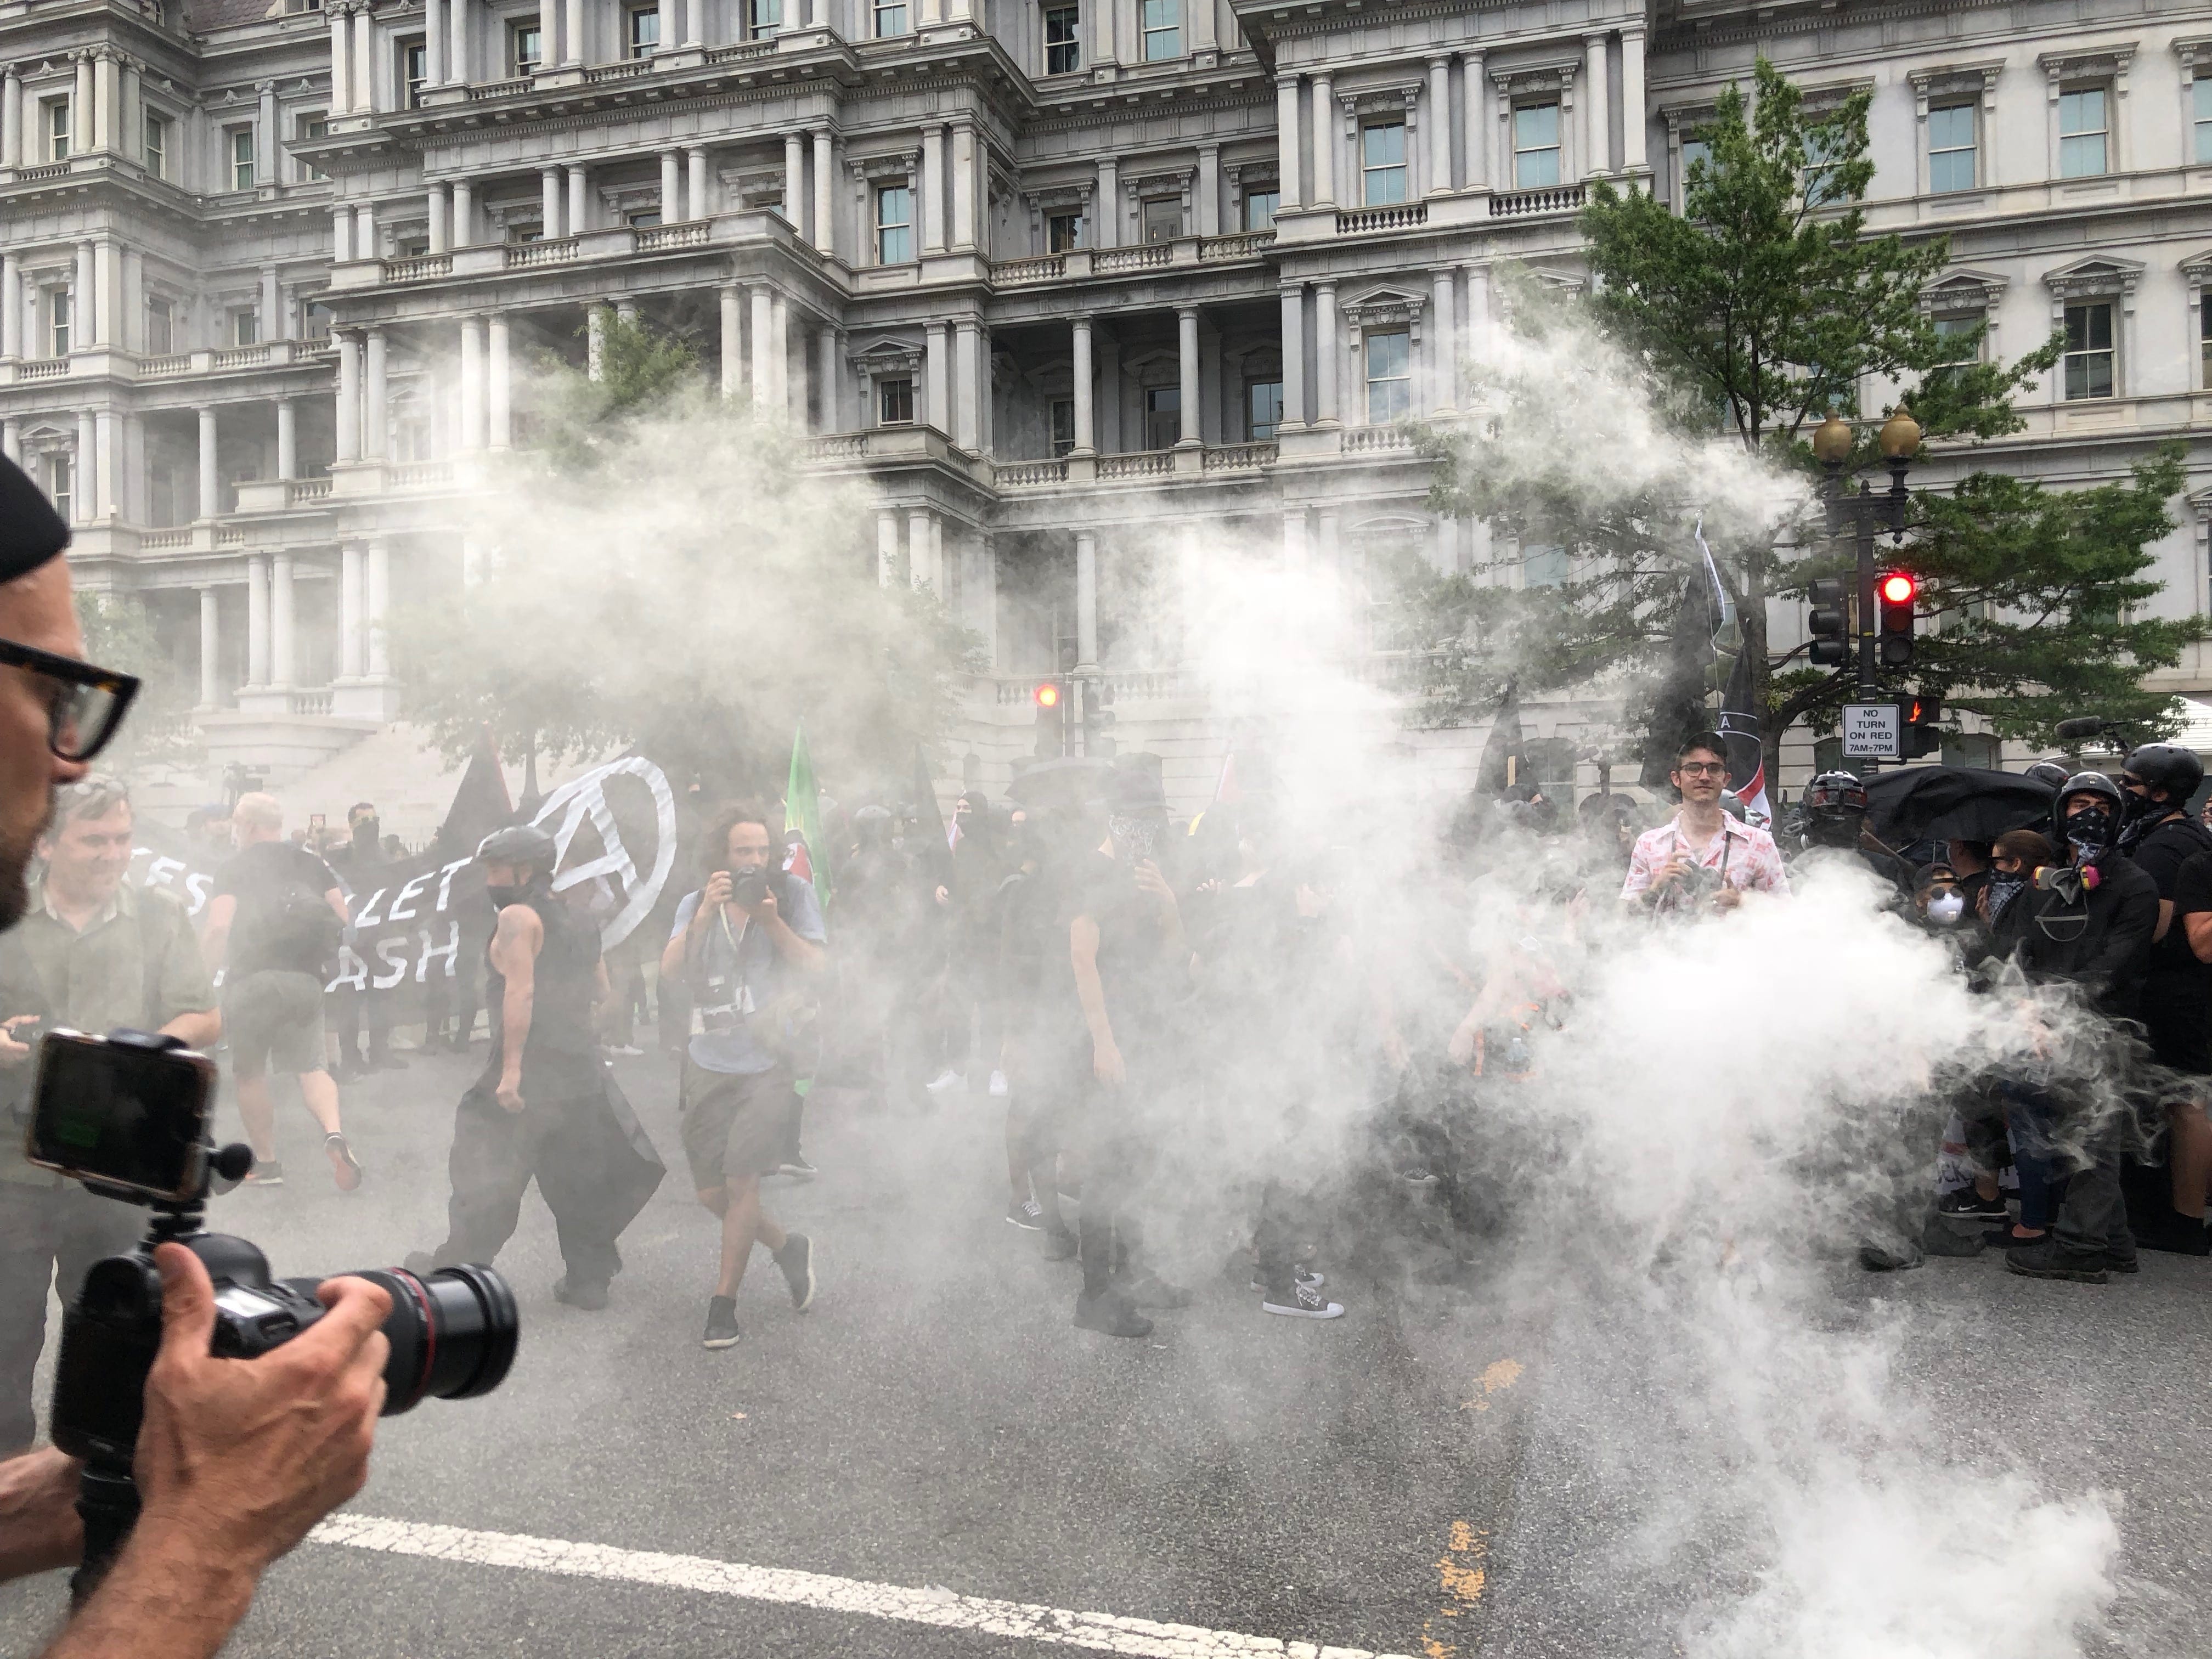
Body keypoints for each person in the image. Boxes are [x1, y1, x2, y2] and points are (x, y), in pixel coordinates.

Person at [0, 454, 390, 1658]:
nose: (74, 756)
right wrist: (207, 1537)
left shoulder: (158, 919)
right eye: (57, 694)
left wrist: (60, 1506)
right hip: (14, 1186)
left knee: (111, 1377)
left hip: (99, 1190)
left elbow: (202, 1009)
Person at [0, 776, 221, 1455]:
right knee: (5, 1328)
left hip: (119, 1165)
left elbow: (205, 1015)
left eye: (122, 838)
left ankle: (100, 1474)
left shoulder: (159, 915)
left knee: (114, 1328)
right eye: (94, 839)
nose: (112, 852)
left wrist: (151, 1049)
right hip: (13, 1163)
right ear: (47, 842)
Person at [407, 827, 665, 1310]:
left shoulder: (517, 916)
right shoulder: (581, 917)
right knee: (577, 1180)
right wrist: (577, 1034)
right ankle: (589, 1282)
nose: (489, 878)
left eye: (495, 868)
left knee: (487, 1173)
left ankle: (456, 1272)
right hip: (579, 1072)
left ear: (524, 871)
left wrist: (510, 1073)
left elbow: (520, 992)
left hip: (528, 1075)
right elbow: (603, 991)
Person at [662, 804, 825, 1350]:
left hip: (772, 1058)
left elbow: (819, 967)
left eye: (762, 851)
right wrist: (706, 913)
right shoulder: (697, 901)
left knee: (742, 1182)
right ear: (723, 858)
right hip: (709, 1059)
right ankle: (786, 1247)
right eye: (743, 852)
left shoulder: (794, 895)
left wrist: (773, 919)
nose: (755, 861)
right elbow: (668, 970)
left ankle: (723, 1305)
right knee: (713, 1192)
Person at [1989, 773, 2159, 1283]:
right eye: (2079, 804)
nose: (2090, 815)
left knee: (2094, 1136)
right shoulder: (2043, 884)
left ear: (2118, 816)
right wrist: (2025, 1008)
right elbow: (2017, 953)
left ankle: (2082, 1247)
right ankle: (2117, 1244)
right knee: (2081, 1132)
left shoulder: (2136, 885)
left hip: (2108, 1026)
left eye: (2102, 807)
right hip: (2048, 1025)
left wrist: (2058, 1013)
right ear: (2061, 816)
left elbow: (2117, 964)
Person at [1067, 766, 1194, 1339]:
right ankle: (1095, 1297)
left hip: (1149, 1034)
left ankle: (1137, 1276)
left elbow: (1175, 955)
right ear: (1115, 821)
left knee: (1140, 1163)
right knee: (1105, 1170)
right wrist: (1104, 1042)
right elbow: (1082, 959)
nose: (1148, 833)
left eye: (1154, 822)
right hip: (1106, 1040)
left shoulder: (1143, 873)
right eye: (1139, 822)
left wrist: (1169, 901)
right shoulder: (1089, 873)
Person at [199, 792, 361, 1192]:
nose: (236, 834)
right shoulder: (310, 863)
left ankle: (268, 1164)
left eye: (238, 826)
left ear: (249, 826)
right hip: (305, 979)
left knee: (250, 1072)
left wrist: (201, 978)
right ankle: (334, 1132)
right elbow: (343, 917)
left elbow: (219, 926)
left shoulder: (234, 867)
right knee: (312, 1066)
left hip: (252, 981)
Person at [2113, 744, 2212, 1256]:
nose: (2123, 791)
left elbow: (2153, 927)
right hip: (2182, 988)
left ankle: (2185, 1220)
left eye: (2130, 783)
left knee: (2182, 1101)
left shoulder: (2164, 845)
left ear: (2161, 791)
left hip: (2174, 989)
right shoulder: (2175, 834)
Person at [1620, 733, 1791, 914]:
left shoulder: (1758, 843)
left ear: (1726, 779)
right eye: (1694, 768)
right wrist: (1655, 890)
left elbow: (1788, 914)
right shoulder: (1649, 844)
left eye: (1714, 769)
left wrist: (1742, 902)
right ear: (1676, 779)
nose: (1704, 777)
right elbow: (1621, 919)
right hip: (1664, 942)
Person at [331, 801, 406, 1080]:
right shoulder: (339, 859)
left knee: (383, 997)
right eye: (364, 821)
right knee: (350, 1000)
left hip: (381, 938)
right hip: (350, 940)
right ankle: (351, 1055)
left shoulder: (387, 858)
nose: (371, 825)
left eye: (375, 819)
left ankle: (380, 1050)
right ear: (351, 825)